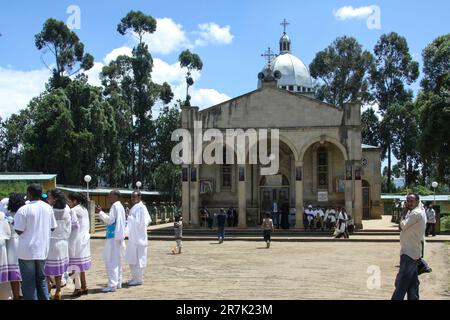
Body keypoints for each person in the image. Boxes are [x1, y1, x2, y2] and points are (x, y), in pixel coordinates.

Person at [13, 183, 57, 300]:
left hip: (27, 251)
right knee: (41, 278)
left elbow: (18, 230)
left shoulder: (24, 209)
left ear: (29, 194)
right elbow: (53, 227)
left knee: (28, 281)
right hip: (42, 249)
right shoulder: (48, 208)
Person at [391, 193, 426, 300]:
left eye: (411, 200)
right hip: (412, 252)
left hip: (409, 253)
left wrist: (403, 213)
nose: (409, 203)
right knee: (412, 283)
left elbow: (402, 226)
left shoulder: (416, 213)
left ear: (417, 201)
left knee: (401, 282)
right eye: (407, 200)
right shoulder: (417, 212)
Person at [96, 190, 126, 292]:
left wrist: (100, 212)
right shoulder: (120, 206)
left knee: (111, 260)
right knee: (117, 260)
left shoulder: (115, 206)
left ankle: (112, 285)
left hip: (113, 236)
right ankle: (118, 282)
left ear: (116, 196)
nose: (109, 197)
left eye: (111, 196)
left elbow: (110, 220)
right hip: (118, 237)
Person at [45, 189, 72, 300]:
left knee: (45, 267)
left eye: (49, 197)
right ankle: (59, 290)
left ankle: (48, 286)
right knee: (59, 268)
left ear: (55, 199)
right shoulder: (67, 209)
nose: (47, 199)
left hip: (51, 241)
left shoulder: (49, 210)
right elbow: (70, 226)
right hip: (63, 242)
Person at [67, 192, 91, 297]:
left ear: (75, 201)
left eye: (69, 200)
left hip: (75, 241)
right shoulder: (84, 209)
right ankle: (84, 286)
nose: (68, 202)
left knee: (73, 266)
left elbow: (72, 227)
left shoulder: (73, 210)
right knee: (80, 266)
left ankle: (77, 288)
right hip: (84, 240)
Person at [125, 191, 151, 286]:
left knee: (139, 259)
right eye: (131, 197)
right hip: (133, 238)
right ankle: (134, 277)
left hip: (139, 239)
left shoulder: (141, 207)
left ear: (139, 197)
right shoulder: (136, 207)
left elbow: (141, 223)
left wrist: (129, 217)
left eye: (134, 197)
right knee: (132, 259)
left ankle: (139, 279)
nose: (132, 199)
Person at [5, 194, 26, 299]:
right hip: (23, 243)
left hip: (11, 245)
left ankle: (16, 295)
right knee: (25, 271)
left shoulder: (6, 215)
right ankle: (26, 293)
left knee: (14, 274)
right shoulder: (23, 214)